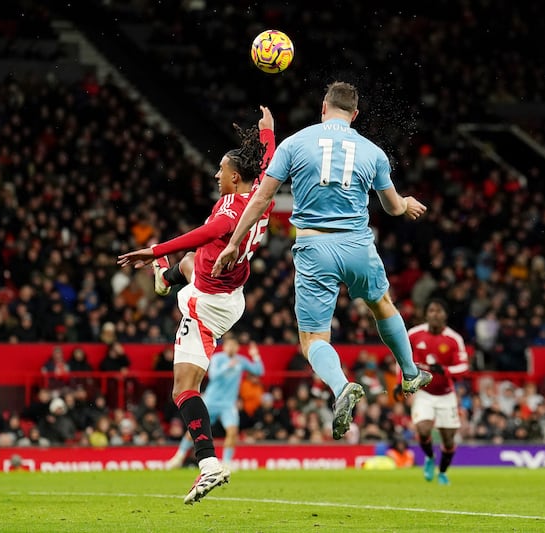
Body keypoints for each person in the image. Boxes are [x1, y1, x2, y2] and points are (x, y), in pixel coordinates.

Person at [213, 81, 432, 441]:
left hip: (315, 248)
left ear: (323, 108)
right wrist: (406, 202)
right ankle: (409, 372)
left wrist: (234, 243)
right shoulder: (372, 151)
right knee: (382, 304)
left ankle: (341, 386)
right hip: (359, 245)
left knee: (314, 337)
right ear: (355, 114)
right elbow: (393, 208)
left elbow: (260, 198)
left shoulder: (296, 143)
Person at [117, 106, 275, 505]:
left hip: (208, 305)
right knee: (189, 264)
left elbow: (197, 235)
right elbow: (270, 162)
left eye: (220, 170)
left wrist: (151, 251)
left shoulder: (229, 217)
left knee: (183, 389)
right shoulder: (261, 193)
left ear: (234, 177)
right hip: (225, 291)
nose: (215, 174)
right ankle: (166, 279)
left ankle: (208, 465)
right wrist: (267, 133)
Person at [165, 335, 263, 470]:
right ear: (225, 347)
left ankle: (227, 462)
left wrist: (255, 355)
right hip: (211, 401)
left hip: (228, 404)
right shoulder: (218, 359)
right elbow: (213, 375)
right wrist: (227, 366)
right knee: (195, 429)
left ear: (238, 348)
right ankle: (178, 457)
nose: (232, 348)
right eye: (229, 345)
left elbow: (259, 371)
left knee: (232, 431)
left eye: (234, 346)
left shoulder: (241, 361)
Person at [404, 298, 469, 485]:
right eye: (431, 310)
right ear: (426, 314)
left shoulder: (454, 339)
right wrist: (402, 381)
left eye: (439, 311)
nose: (435, 314)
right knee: (423, 429)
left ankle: (442, 472)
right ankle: (430, 457)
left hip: (446, 394)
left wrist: (445, 370)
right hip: (424, 392)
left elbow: (464, 366)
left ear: (445, 315)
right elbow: (403, 358)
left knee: (448, 439)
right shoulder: (414, 335)